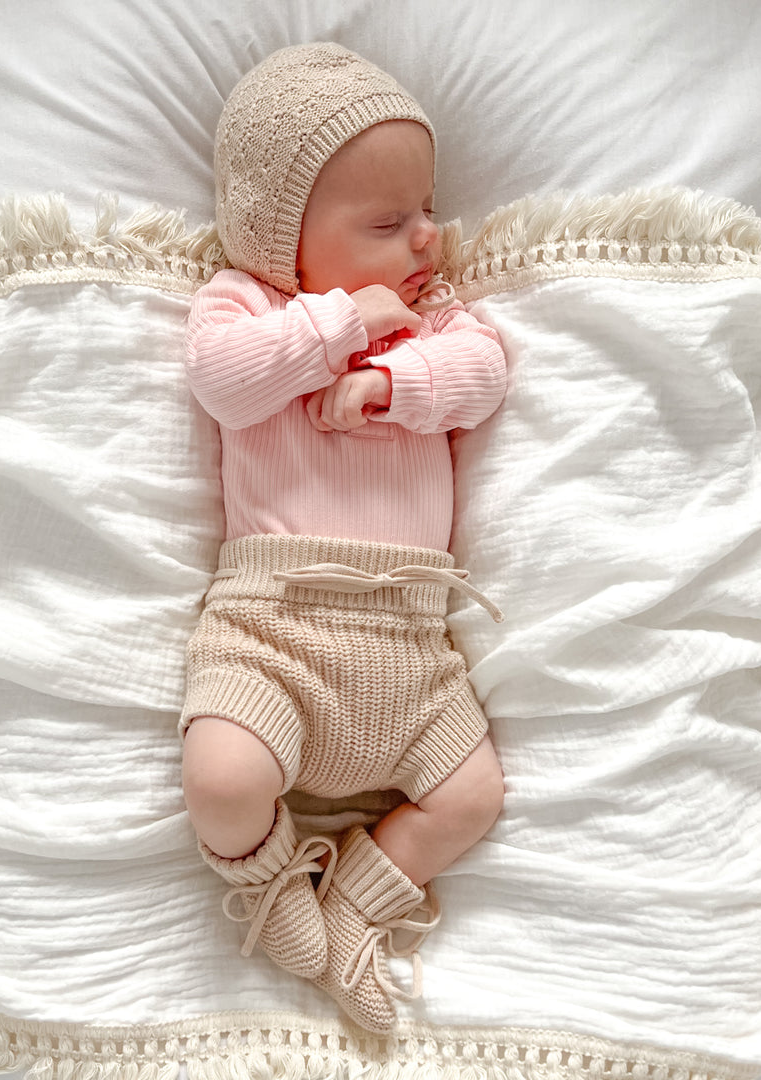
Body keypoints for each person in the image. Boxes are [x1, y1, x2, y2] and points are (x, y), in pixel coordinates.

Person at [179, 42, 507, 1033]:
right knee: (223, 779)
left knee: (473, 796)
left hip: (412, 647)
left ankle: (362, 895)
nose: (426, 239)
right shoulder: (250, 305)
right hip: (272, 631)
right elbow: (224, 381)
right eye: (388, 221)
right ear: (286, 236)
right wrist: (334, 328)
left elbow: (486, 373)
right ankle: (274, 882)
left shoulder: (434, 323)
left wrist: (393, 383)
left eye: (427, 209)